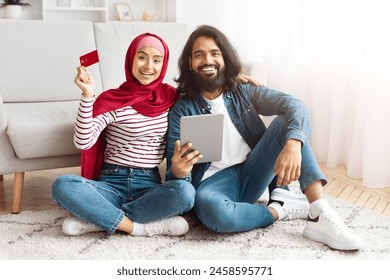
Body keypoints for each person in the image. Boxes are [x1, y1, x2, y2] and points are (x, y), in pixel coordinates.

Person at [165, 25, 363, 251]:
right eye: (198, 55)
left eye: (214, 53)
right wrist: (178, 171)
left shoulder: (243, 90)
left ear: (225, 58)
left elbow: (295, 106)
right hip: (212, 186)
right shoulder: (181, 110)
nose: (207, 60)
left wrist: (293, 145)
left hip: (253, 171)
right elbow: (174, 176)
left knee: (289, 122)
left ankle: (319, 212)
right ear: (190, 64)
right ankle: (280, 208)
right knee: (214, 214)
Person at [52, 33, 196, 237]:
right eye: (142, 57)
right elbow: (83, 141)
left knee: (185, 192)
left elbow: (204, 94)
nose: (148, 66)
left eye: (157, 60)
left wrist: (234, 83)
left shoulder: (172, 99)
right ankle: (137, 228)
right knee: (63, 185)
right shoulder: (113, 99)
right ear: (131, 59)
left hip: (148, 186)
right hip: (110, 183)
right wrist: (87, 96)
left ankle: (100, 220)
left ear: (163, 65)